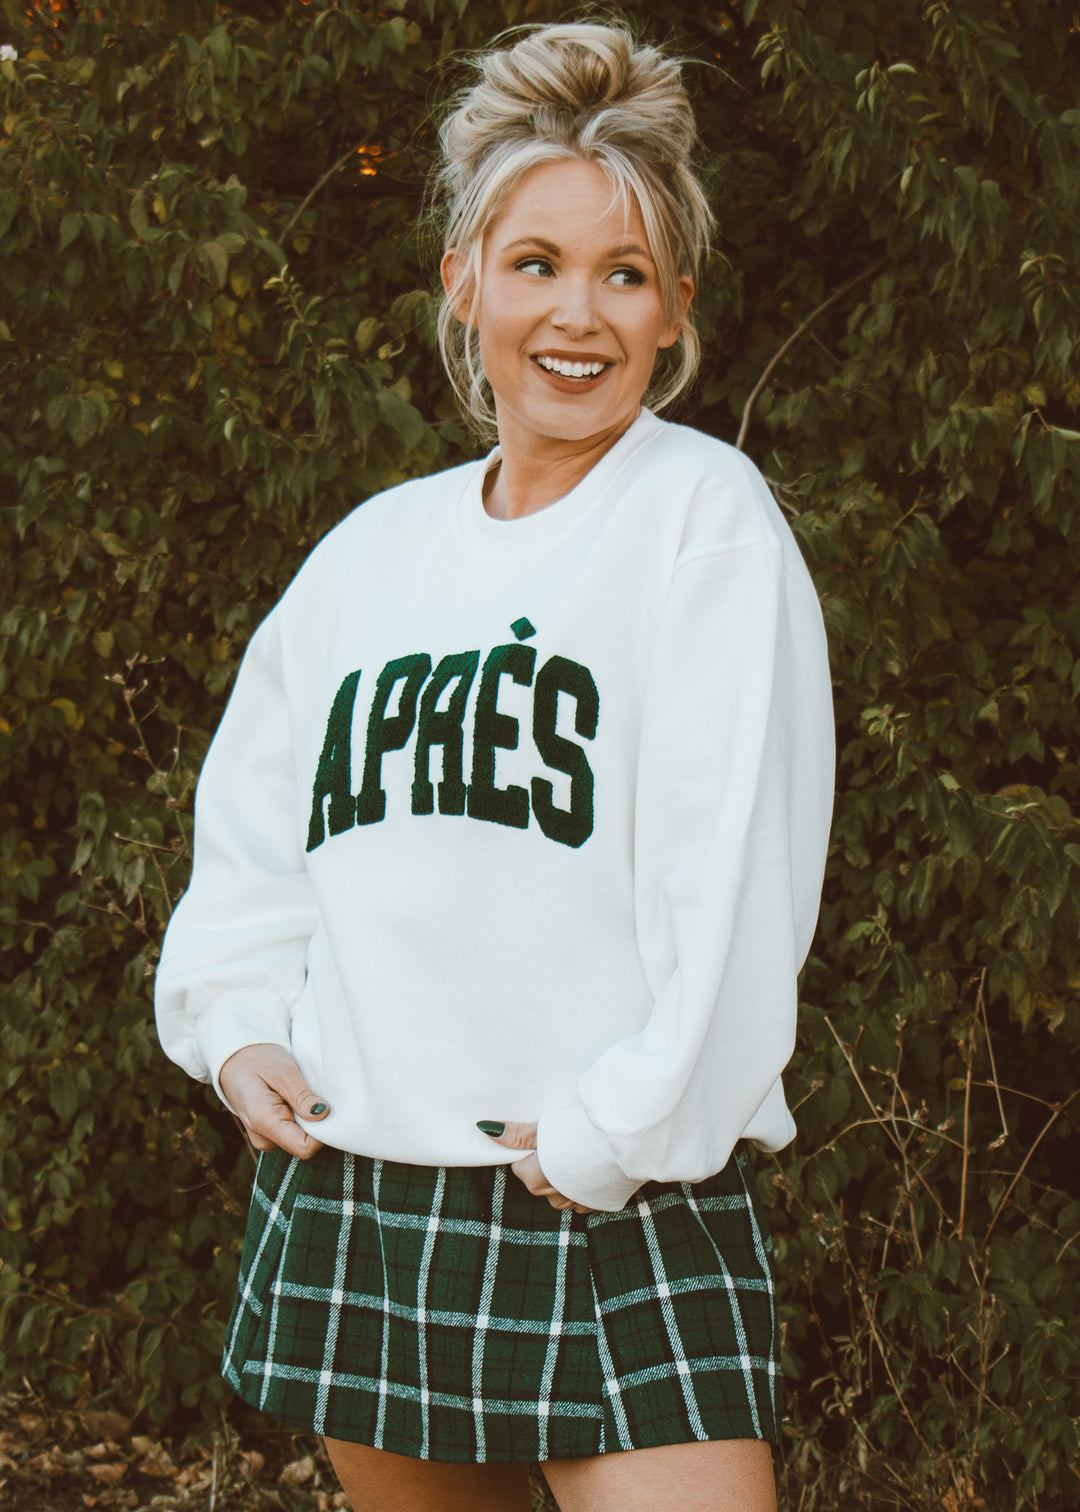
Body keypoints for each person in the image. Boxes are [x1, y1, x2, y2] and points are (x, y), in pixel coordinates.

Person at [155, 21, 834, 1512]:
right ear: (464, 280)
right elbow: (259, 841)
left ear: (674, 312)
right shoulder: (368, 554)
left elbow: (737, 881)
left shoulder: (701, 520)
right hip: (370, 1188)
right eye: (536, 262)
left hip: (616, 1190)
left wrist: (615, 1131)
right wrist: (235, 1025)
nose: (576, 314)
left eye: (625, 273)